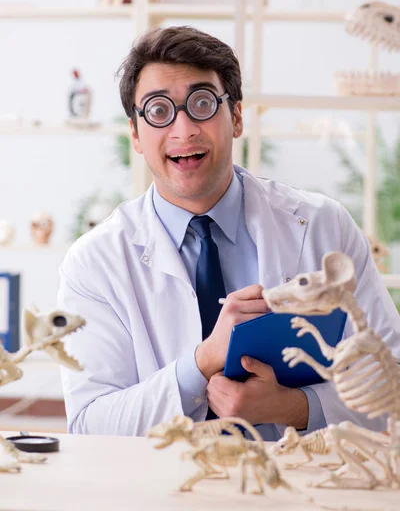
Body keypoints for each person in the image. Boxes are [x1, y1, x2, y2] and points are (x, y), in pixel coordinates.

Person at [58, 26, 400, 439]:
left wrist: (295, 407)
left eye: (202, 103)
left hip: (300, 493)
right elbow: (89, 425)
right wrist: (202, 362)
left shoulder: (325, 226)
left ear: (236, 117)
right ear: (135, 133)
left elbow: (391, 379)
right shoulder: (95, 261)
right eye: (158, 111)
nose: (183, 131)